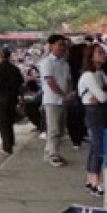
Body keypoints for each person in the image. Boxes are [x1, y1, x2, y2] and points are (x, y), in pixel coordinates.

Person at [78, 43, 107, 196]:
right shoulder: (88, 75)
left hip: (100, 112)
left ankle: (91, 180)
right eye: (99, 52)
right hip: (93, 112)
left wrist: (103, 94)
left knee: (95, 147)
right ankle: (95, 182)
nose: (103, 54)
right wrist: (103, 93)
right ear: (91, 56)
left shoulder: (100, 73)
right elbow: (104, 96)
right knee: (98, 147)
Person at [0, 48, 26, 155]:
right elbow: (21, 87)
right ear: (9, 56)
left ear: (0, 56)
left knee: (3, 123)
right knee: (10, 121)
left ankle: (7, 147)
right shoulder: (15, 69)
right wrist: (22, 100)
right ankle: (10, 142)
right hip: (13, 98)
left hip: (1, 99)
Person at [39, 34, 71, 167]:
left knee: (61, 129)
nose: (62, 48)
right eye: (59, 45)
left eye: (64, 45)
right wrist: (62, 94)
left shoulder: (65, 63)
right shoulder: (47, 62)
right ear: (51, 46)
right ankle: (53, 154)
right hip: (52, 100)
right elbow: (49, 81)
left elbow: (69, 80)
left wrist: (68, 94)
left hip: (63, 100)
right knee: (53, 129)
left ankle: (51, 152)